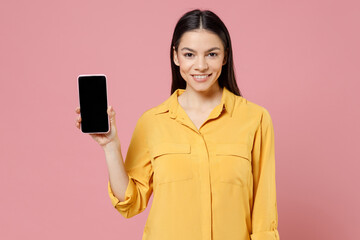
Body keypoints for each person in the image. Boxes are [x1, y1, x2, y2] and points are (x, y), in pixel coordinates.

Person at [75, 9, 280, 240]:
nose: (201, 66)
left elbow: (264, 216)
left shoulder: (255, 119)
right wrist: (110, 146)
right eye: (189, 54)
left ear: (225, 56)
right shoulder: (153, 122)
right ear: (176, 56)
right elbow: (130, 203)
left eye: (211, 54)